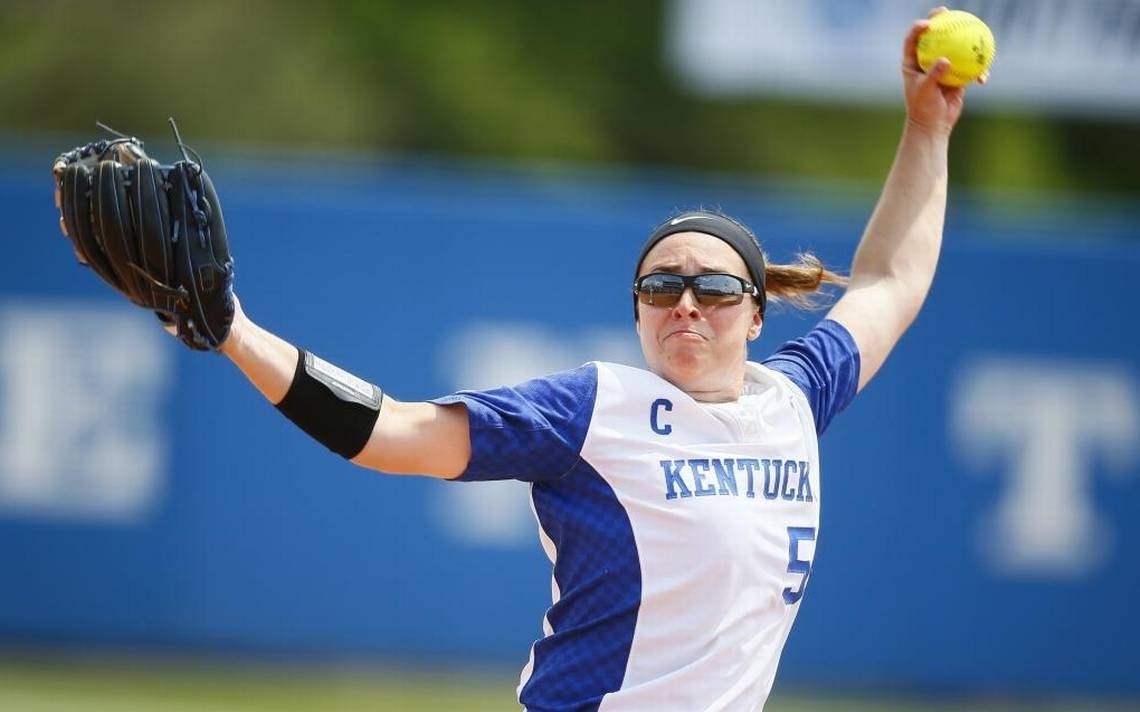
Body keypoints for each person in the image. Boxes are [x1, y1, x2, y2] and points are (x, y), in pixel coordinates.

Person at [218, 9, 980, 711]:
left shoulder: (794, 398)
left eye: (712, 287)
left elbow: (892, 279)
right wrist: (234, 332)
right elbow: (390, 431)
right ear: (639, 311)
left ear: (755, 313)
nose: (684, 302)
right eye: (660, 286)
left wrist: (926, 130)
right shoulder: (592, 410)